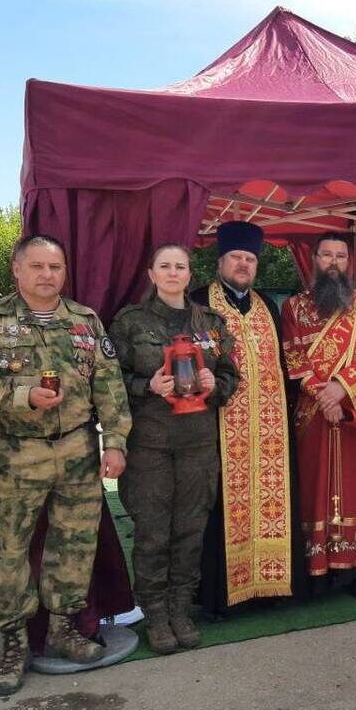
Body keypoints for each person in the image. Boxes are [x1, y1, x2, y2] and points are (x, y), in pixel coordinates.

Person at [0, 234, 132, 696]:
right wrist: (22, 396)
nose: (46, 275)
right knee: (9, 548)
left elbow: (110, 387)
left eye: (55, 267)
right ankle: (13, 644)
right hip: (17, 454)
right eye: (36, 266)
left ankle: (63, 628)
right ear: (16, 269)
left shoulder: (84, 320)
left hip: (77, 450)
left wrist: (114, 443)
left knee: (75, 544)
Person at [110, 244, 239, 653]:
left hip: (198, 445)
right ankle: (156, 615)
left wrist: (214, 385)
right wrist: (145, 386)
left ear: (189, 274)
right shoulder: (130, 322)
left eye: (179, 267)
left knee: (190, 532)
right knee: (152, 533)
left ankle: (181, 611)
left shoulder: (211, 323)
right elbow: (109, 381)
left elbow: (231, 377)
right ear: (151, 274)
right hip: (150, 446)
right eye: (164, 266)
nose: (172, 273)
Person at [189, 221, 304, 617]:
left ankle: (271, 587)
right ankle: (224, 596)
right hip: (218, 425)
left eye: (250, 259)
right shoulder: (198, 302)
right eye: (236, 257)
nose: (243, 264)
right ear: (220, 261)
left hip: (270, 428)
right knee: (221, 508)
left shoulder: (267, 306)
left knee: (273, 502)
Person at [281, 232, 356, 595]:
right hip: (313, 412)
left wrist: (341, 389)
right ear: (314, 259)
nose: (333, 262)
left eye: (340, 256)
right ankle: (318, 570)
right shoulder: (294, 308)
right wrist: (323, 394)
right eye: (327, 255)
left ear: (350, 262)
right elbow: (292, 357)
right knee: (313, 486)